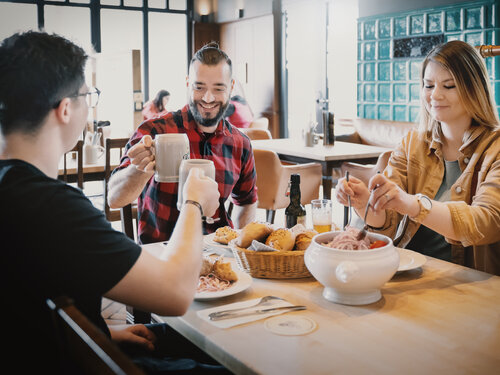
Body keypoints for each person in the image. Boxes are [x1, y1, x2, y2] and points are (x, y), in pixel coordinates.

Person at [0, 31, 227, 374]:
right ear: (65, 109)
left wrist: (104, 330)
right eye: (87, 95)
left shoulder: (16, 190)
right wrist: (193, 202)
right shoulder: (52, 208)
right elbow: (176, 293)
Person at [335, 40, 500, 275]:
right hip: (411, 277)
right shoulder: (413, 143)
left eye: (449, 86)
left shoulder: (495, 148)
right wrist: (364, 204)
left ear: (474, 88)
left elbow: (486, 222)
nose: (435, 95)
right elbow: (387, 223)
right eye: (429, 85)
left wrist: (413, 204)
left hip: (468, 283)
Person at [108, 42, 258, 244]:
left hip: (218, 256)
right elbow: (114, 199)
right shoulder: (154, 131)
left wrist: (239, 247)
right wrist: (139, 169)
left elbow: (247, 202)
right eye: (199, 87)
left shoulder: (241, 144)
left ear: (231, 87)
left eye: (218, 88)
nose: (208, 97)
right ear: (188, 83)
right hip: (162, 254)